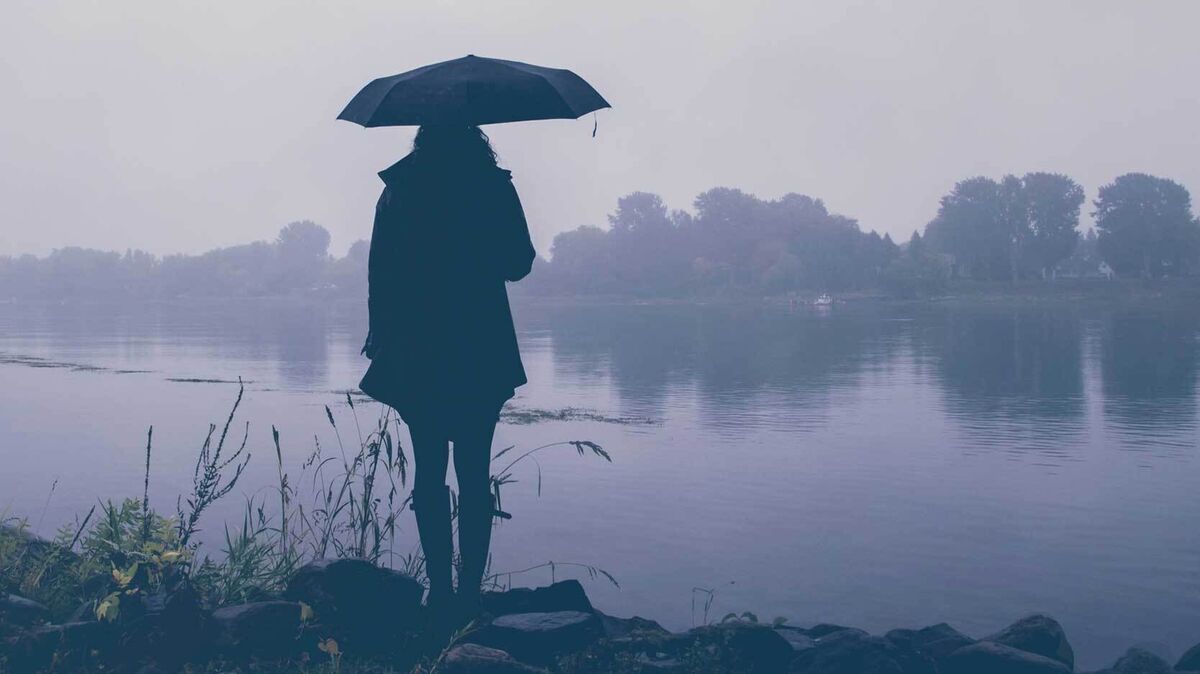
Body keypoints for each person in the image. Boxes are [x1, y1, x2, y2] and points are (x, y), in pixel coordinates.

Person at [358, 124, 535, 618]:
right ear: (475, 136)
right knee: (475, 471)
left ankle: (438, 590)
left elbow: (380, 271)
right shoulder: (491, 186)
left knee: (428, 467)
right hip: (480, 342)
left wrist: (381, 338)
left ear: (423, 137)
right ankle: (470, 593)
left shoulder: (399, 189)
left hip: (419, 346)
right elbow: (518, 262)